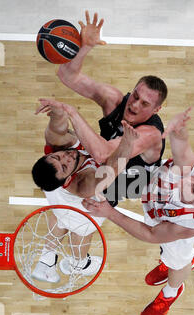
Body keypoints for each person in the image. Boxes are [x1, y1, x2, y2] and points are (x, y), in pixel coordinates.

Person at [81, 108, 194, 315]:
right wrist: (178, 128)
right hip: (153, 196)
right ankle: (171, 263)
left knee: (177, 261)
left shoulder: (189, 223)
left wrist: (109, 212)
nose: (190, 183)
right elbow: (181, 144)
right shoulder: (189, 169)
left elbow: (150, 234)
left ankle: (171, 293)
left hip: (165, 225)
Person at [57, 10, 168, 206]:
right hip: (103, 165)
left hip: (127, 182)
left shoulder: (150, 134)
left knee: (86, 218)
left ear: (156, 110)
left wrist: (73, 112)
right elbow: (66, 76)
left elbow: (102, 154)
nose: (134, 105)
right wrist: (85, 47)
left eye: (144, 104)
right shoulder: (114, 100)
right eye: (135, 96)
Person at [31, 98, 138, 283]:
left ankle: (47, 260)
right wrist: (127, 143)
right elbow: (113, 168)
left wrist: (58, 113)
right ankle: (78, 263)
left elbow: (56, 129)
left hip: (56, 195)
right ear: (65, 178)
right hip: (81, 206)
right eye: (65, 166)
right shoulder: (84, 185)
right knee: (81, 231)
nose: (68, 157)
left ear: (50, 154)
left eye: (58, 156)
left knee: (59, 216)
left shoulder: (57, 153)